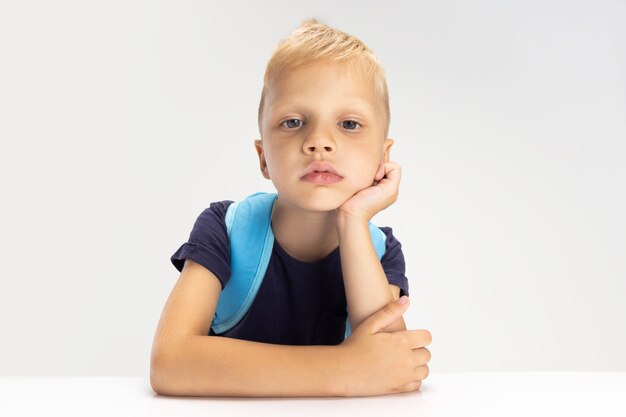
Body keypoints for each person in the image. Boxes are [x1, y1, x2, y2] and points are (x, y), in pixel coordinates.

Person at [150, 18, 432, 397]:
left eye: (349, 123)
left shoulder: (380, 251)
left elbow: (392, 366)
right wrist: (343, 369)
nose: (319, 141)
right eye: (293, 121)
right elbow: (170, 363)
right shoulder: (225, 229)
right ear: (263, 157)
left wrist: (352, 220)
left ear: (383, 157)